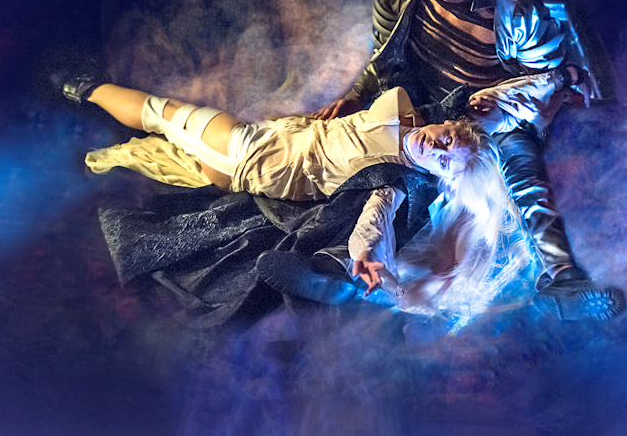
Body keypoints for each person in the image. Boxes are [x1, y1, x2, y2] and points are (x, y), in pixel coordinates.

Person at [311, 0, 622, 316]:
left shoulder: (518, 14)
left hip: (488, 121)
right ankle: (343, 268)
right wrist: (357, 95)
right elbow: (385, 56)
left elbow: (543, 87)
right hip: (418, 111)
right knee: (373, 180)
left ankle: (563, 279)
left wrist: (499, 113)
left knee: (521, 173)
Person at [61, 74, 552, 321]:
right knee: (165, 145)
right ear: (445, 124)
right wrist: (555, 82)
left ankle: (82, 87)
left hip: (249, 154)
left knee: (159, 113)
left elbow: (376, 219)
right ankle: (89, 105)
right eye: (446, 139)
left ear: (438, 176)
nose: (436, 148)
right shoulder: (409, 111)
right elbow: (490, 103)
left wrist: (368, 258)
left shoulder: (394, 179)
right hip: (270, 138)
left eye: (444, 160)